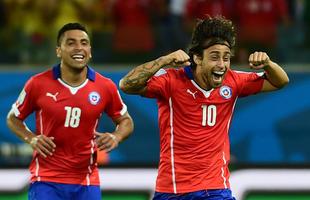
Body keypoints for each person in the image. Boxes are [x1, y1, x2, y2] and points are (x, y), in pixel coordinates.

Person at [119, 16, 289, 199]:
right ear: (197, 58)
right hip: (173, 189)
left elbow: (281, 81)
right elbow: (126, 85)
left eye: (226, 58)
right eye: (215, 57)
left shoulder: (234, 81)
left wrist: (268, 64)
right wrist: (163, 60)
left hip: (215, 188)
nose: (222, 65)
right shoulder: (170, 81)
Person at [6, 22, 134, 200]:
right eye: (71, 43)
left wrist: (116, 136)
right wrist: (31, 138)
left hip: (86, 180)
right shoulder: (37, 83)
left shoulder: (105, 86)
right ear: (59, 50)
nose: (79, 48)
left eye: (84, 43)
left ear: (90, 50)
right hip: (46, 179)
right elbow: (13, 118)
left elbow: (126, 121)